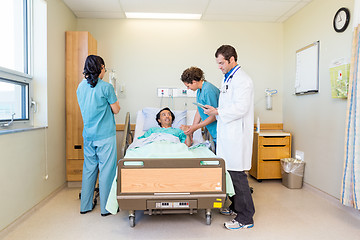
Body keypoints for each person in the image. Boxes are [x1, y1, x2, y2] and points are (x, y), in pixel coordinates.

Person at [203, 45, 255, 230]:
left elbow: (241, 108)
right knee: (230, 174)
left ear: (232, 59)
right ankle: (235, 207)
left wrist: (218, 111)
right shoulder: (228, 78)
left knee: (237, 176)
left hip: (236, 136)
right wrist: (217, 112)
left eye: (221, 63)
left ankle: (246, 218)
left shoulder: (243, 80)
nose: (219, 66)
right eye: (218, 63)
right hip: (228, 134)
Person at [76, 55, 120, 216]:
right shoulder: (106, 87)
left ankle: (85, 206)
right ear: (101, 68)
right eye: (104, 69)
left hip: (88, 135)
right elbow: (116, 110)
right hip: (105, 136)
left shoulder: (80, 87)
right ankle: (106, 208)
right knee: (106, 170)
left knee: (89, 170)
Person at [180, 67, 220, 148]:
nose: (188, 88)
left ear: (194, 82)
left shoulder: (208, 90)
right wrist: (192, 129)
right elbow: (199, 110)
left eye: (188, 86)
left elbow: (214, 115)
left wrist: (195, 127)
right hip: (212, 130)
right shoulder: (199, 90)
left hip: (219, 130)